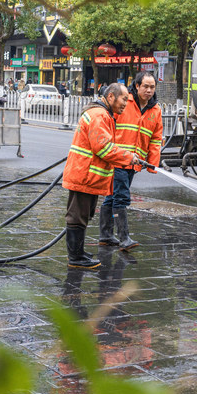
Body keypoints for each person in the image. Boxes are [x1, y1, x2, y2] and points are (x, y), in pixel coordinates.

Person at [62, 83, 136, 268]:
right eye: (123, 99)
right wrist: (129, 157)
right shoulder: (100, 115)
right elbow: (103, 148)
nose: (125, 104)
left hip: (87, 176)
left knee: (82, 216)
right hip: (84, 175)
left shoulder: (103, 114)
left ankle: (78, 253)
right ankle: (75, 258)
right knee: (77, 217)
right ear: (111, 97)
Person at [99, 71, 162, 251]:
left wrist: (152, 164)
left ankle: (105, 235)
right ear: (137, 86)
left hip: (135, 162)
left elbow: (156, 138)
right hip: (118, 158)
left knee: (111, 196)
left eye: (152, 87)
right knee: (121, 197)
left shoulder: (155, 109)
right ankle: (124, 238)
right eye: (145, 87)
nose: (149, 91)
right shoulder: (125, 102)